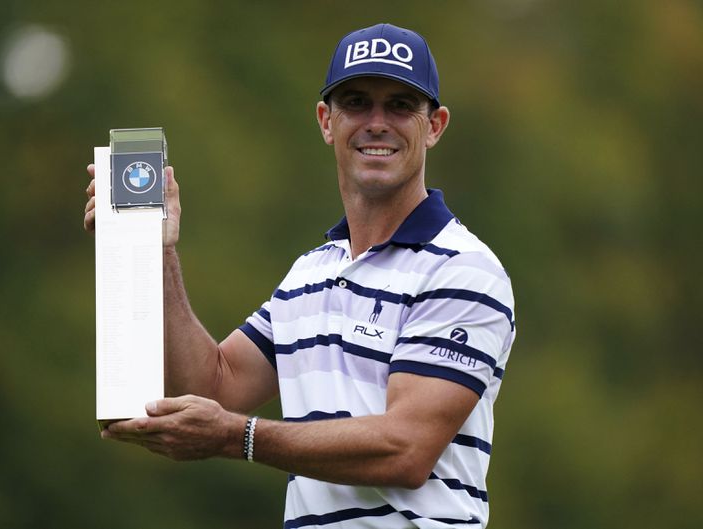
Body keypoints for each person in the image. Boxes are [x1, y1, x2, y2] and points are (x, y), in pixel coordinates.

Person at [83, 23, 515, 529]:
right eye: (356, 102)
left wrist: (236, 436)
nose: (377, 123)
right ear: (326, 121)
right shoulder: (311, 272)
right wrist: (157, 254)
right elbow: (215, 387)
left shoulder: (462, 269)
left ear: (435, 125)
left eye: (400, 105)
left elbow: (406, 449)